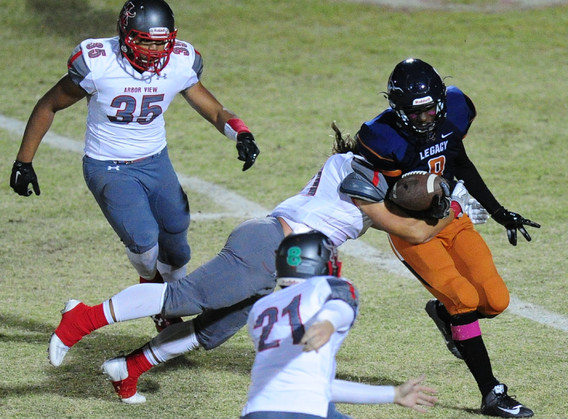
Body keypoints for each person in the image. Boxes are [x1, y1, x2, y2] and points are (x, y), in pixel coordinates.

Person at [48, 144, 468, 404]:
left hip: (286, 265)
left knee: (210, 332)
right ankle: (82, 318)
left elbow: (406, 214)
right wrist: (451, 210)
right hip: (269, 246)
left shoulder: (369, 191)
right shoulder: (356, 178)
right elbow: (414, 225)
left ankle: (129, 368)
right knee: (184, 298)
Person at [9, 0, 260, 331]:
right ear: (125, 35)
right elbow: (49, 104)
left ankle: (169, 303)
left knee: (177, 245)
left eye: (160, 42)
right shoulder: (99, 63)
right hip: (108, 165)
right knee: (143, 242)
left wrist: (240, 132)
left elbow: (214, 109)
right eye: (144, 40)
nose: (154, 50)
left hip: (156, 160)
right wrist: (24, 161)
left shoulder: (181, 62)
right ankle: (157, 298)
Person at [351, 58, 540, 418]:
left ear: (440, 102)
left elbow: (461, 163)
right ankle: (492, 392)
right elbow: (377, 200)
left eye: (429, 111)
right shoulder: (380, 138)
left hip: (452, 219)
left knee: (496, 300)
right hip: (414, 231)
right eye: (414, 113)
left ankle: (444, 314)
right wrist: (417, 204)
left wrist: (499, 212)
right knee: (463, 298)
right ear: (396, 108)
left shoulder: (454, 111)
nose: (423, 120)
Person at [241, 231, 438, 418]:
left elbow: (314, 387)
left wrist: (393, 394)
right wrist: (328, 323)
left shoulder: (261, 308)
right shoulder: (327, 286)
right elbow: (339, 305)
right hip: (307, 411)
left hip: (257, 410)